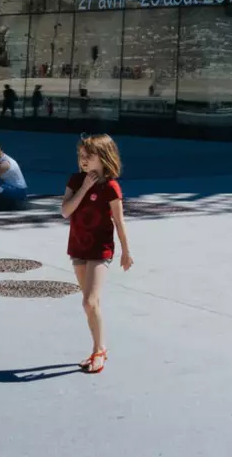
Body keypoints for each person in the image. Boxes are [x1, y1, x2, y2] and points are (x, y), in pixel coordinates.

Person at [63, 134, 133, 375]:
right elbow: (65, 211)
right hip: (78, 246)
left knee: (89, 301)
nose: (83, 161)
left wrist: (126, 250)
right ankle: (98, 348)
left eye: (88, 157)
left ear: (103, 158)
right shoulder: (75, 180)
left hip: (100, 249)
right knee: (90, 304)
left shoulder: (111, 187)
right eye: (80, 157)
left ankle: (99, 350)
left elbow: (119, 221)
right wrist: (84, 188)